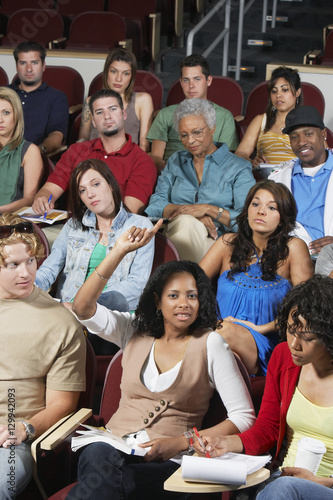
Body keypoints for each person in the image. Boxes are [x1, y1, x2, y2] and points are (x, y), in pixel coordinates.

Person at [67, 226, 256, 500]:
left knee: (118, 482)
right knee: (100, 456)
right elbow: (83, 308)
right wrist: (119, 250)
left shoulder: (211, 343)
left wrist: (182, 442)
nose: (184, 304)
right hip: (114, 446)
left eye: (192, 295)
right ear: (157, 301)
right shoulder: (132, 330)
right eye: (173, 295)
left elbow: (244, 417)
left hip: (172, 461)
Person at [197, 276, 333, 498]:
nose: (294, 344)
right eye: (290, 331)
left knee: (283, 488)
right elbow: (268, 428)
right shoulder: (283, 356)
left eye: (307, 337)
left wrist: (323, 482)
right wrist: (228, 442)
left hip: (326, 486)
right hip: (284, 478)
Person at [0, 213, 86, 499]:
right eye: (13, 265)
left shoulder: (61, 323)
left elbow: (63, 404)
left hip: (12, 441)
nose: (25, 273)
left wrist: (24, 428)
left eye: (30, 261)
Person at [200, 180, 314, 375]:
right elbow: (189, 284)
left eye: (271, 207)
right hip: (216, 333)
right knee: (223, 350)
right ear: (247, 209)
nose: (261, 211)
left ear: (283, 217)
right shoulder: (227, 243)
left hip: (264, 341)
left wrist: (261, 328)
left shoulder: (294, 248)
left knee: (222, 334)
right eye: (256, 204)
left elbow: (307, 309)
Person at [35, 159, 154, 314]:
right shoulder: (73, 226)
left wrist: (88, 305)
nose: (90, 194)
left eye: (96, 184)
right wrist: (27, 289)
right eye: (82, 190)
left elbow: (136, 284)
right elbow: (48, 270)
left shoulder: (140, 225)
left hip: (112, 313)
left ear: (110, 185)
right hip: (67, 309)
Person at [145, 98, 255, 262]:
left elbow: (247, 220)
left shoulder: (238, 167)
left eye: (197, 132)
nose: (190, 141)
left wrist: (208, 209)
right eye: (184, 135)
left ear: (212, 128)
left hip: (220, 244)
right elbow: (154, 206)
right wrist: (192, 214)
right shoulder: (175, 161)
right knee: (186, 224)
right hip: (175, 232)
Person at [32, 89, 157, 217]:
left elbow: (130, 212)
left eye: (112, 109)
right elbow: (49, 189)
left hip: (115, 231)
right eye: (99, 112)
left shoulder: (142, 161)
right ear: (93, 122)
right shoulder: (76, 151)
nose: (107, 116)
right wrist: (43, 199)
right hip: (71, 227)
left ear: (124, 114)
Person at [147, 53, 238, 171]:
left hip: (209, 174)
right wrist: (169, 170)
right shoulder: (165, 114)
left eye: (197, 79)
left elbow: (226, 158)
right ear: (180, 82)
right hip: (172, 173)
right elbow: (156, 157)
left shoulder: (224, 116)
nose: (191, 86)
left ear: (208, 80)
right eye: (186, 80)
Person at [269, 105, 333, 256]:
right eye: (294, 137)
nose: (301, 142)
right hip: (291, 256)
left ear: (323, 134)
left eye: (308, 134)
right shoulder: (278, 176)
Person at [79, 48, 154, 152]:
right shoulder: (90, 101)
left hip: (127, 161)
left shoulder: (143, 100)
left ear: (132, 77)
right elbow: (82, 140)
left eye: (126, 73)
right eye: (114, 71)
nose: (119, 79)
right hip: (94, 161)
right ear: (106, 73)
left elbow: (144, 146)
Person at [8, 41, 68, 155]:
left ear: (43, 66)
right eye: (23, 63)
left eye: (34, 63)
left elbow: (56, 135)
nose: (29, 69)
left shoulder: (56, 97)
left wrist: (37, 152)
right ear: (16, 66)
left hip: (33, 158)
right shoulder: (4, 93)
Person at [235, 66, 302, 168]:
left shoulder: (306, 121)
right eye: (274, 91)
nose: (278, 95)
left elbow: (323, 155)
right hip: (265, 180)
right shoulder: (261, 120)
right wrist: (252, 162)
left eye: (284, 90)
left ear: (297, 92)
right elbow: (240, 153)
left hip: (295, 178)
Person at [0, 87, 43, 213]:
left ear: (16, 115)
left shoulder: (30, 151)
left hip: (10, 219)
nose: (0, 119)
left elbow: (28, 200)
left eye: (6, 113)